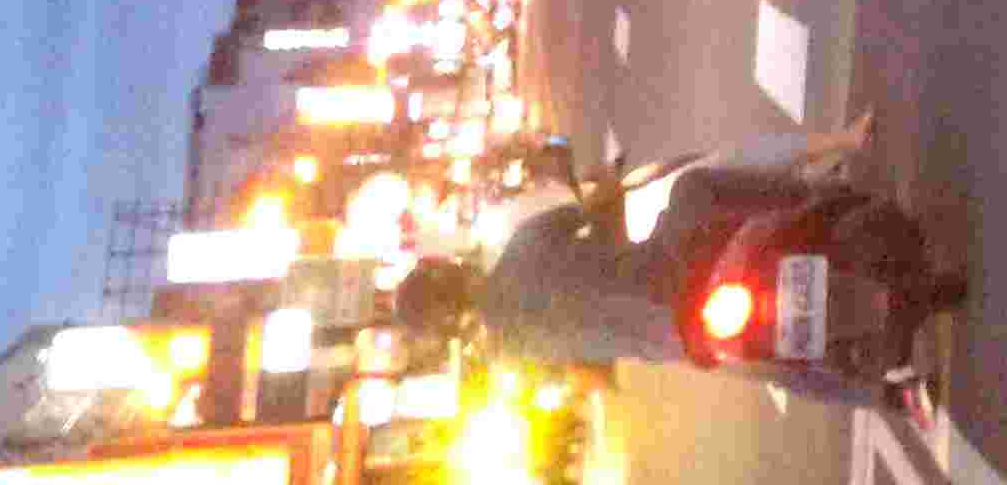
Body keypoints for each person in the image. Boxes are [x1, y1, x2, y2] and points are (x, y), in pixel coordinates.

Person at [406, 116, 965, 393]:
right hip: (673, 262)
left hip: (679, 339)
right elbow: (591, 208)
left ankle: (890, 397)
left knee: (773, 370)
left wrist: (609, 356)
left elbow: (589, 379)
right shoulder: (521, 250)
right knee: (696, 188)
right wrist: (607, 186)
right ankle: (819, 198)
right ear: (451, 272)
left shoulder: (513, 356)